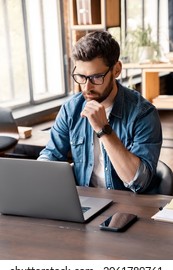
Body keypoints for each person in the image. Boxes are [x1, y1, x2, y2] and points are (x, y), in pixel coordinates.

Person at [38, 30, 162, 193]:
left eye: (96, 77)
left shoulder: (143, 114)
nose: (86, 87)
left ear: (116, 70)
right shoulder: (71, 109)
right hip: (86, 202)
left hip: (127, 206)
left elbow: (139, 182)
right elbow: (52, 154)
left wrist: (104, 130)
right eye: (81, 76)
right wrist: (39, 170)